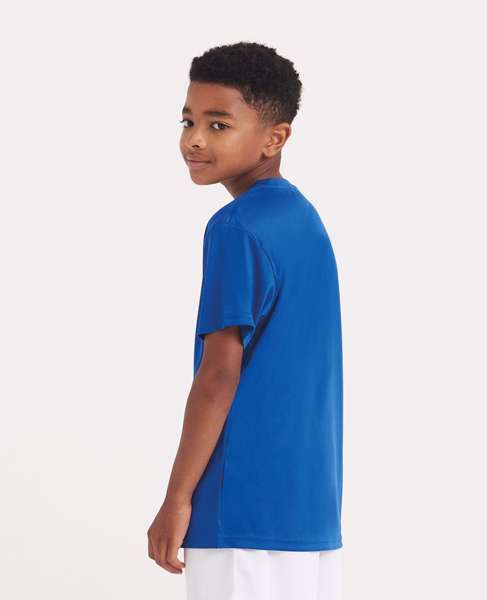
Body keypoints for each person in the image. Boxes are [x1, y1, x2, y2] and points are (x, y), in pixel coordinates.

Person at [147, 41, 344, 600]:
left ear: (274, 138)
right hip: (308, 507)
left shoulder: (236, 227)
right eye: (188, 120)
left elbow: (219, 373)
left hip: (240, 507)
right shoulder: (301, 218)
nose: (194, 139)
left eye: (218, 124)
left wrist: (177, 498)